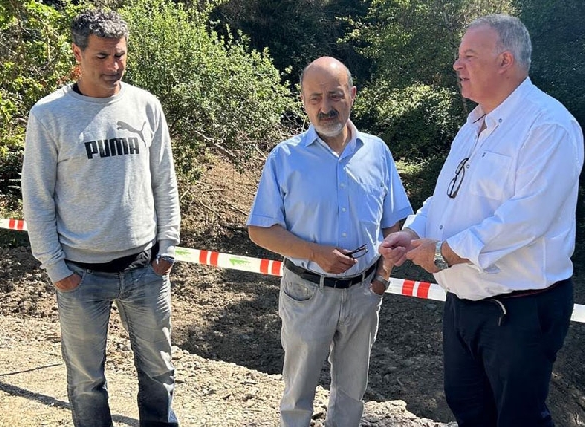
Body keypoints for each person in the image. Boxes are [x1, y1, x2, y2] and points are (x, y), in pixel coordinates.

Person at [380, 14, 584, 427]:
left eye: (468, 56)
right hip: (465, 306)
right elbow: (447, 198)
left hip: (520, 312)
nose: (457, 65)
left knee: (518, 419)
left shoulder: (549, 126)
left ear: (504, 60)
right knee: (469, 408)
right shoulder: (474, 126)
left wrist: (442, 254)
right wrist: (414, 232)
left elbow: (527, 218)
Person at [21, 9, 181, 427]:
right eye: (102, 57)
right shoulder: (49, 114)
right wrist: (56, 268)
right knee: (86, 382)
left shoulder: (145, 105)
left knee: (160, 373)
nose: (113, 66)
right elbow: (37, 197)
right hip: (80, 274)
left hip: (145, 268)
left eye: (120, 56)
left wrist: (168, 247)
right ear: (78, 54)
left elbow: (164, 180)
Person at [247, 56, 413, 427]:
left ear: (352, 95)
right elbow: (259, 230)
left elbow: (393, 224)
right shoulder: (284, 158)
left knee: (352, 394)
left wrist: (384, 273)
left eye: (334, 96)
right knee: (298, 393)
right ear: (303, 101)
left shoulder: (377, 152)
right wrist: (314, 253)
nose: (325, 107)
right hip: (306, 293)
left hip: (364, 292)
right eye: (314, 98)